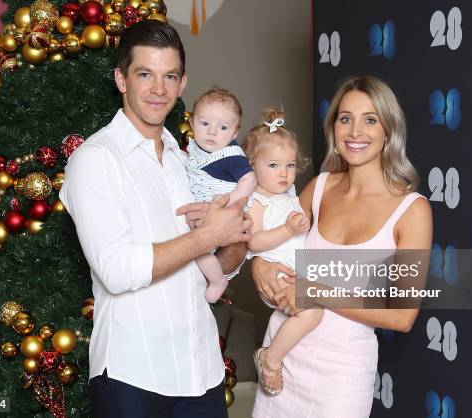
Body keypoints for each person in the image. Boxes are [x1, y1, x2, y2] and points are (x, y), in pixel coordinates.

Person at [60, 21, 250, 418]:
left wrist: (236, 237)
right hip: (134, 377)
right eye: (145, 74)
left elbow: (221, 263)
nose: (159, 89)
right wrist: (206, 238)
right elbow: (116, 270)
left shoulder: (188, 162)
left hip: (203, 373)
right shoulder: (95, 161)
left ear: (183, 84)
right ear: (121, 79)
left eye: (169, 76)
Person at [251, 76, 433, 417]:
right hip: (281, 359)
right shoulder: (318, 188)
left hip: (342, 375)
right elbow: (270, 242)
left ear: (389, 129)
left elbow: (403, 315)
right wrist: (259, 264)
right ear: (333, 126)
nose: (354, 132)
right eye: (345, 118)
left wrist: (316, 290)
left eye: (370, 119)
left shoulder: (413, 210)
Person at [241, 107, 322, 396]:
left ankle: (273, 356)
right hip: (277, 274)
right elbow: (253, 242)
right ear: (252, 165)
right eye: (273, 165)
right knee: (311, 313)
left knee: (309, 312)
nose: (284, 173)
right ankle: (270, 358)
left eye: (289, 166)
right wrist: (288, 230)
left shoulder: (288, 195)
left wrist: (301, 224)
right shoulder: (257, 201)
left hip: (293, 270)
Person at [187, 87, 257, 302]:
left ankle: (217, 280)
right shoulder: (194, 149)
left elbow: (250, 179)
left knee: (195, 249)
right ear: (191, 123)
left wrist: (231, 202)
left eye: (223, 127)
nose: (212, 132)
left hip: (219, 215)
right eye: (204, 123)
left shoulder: (232, 156)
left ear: (235, 133)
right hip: (199, 212)